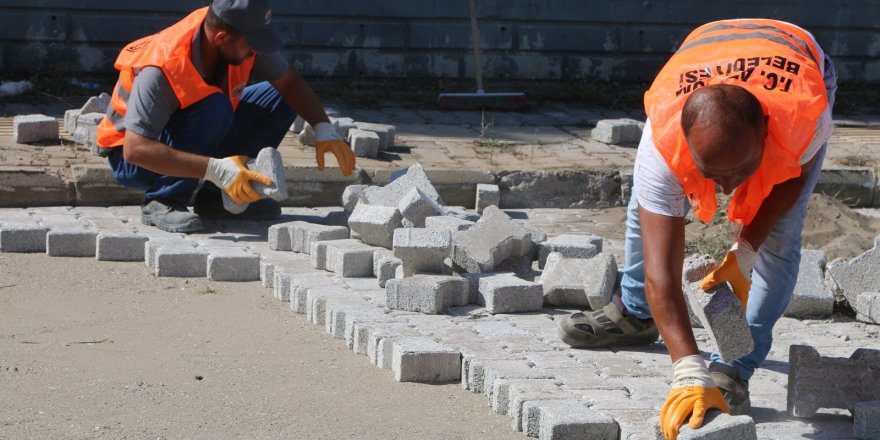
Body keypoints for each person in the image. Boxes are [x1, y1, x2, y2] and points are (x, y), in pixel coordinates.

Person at [556, 19, 837, 440]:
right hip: (704, 55)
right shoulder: (661, 141)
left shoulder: (803, 116)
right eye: (711, 174)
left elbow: (794, 179)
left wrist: (747, 251)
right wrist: (687, 370)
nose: (726, 189)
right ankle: (636, 313)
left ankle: (736, 366)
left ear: (765, 132)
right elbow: (662, 273)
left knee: (780, 238)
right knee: (643, 208)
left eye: (741, 169)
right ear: (684, 142)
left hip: (799, 56)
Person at [96, 0, 356, 233]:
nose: (257, 51)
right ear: (221, 38)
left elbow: (289, 83)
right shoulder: (161, 68)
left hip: (185, 131)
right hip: (135, 159)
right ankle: (164, 199)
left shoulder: (236, 35)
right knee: (214, 107)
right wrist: (217, 169)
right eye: (253, 44)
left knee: (278, 97)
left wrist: (324, 129)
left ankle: (217, 198)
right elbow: (135, 149)